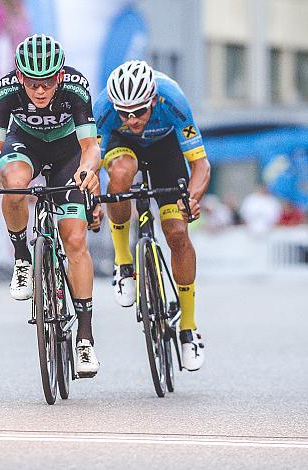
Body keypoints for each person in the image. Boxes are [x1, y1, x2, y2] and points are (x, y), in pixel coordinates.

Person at [0, 34, 102, 376]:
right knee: (13, 186)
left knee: (74, 239)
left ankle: (85, 339)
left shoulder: (75, 88)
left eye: (46, 83)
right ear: (20, 77)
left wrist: (87, 170)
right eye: (31, 83)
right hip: (24, 144)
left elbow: (91, 147)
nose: (40, 91)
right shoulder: (5, 91)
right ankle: (23, 259)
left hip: (67, 152)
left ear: (59, 76)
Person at [93, 60, 210, 371]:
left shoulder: (172, 99)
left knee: (177, 233)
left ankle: (188, 327)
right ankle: (123, 261)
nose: (132, 119)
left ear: (154, 99)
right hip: (123, 150)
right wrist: (90, 199)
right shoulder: (103, 108)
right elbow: (91, 164)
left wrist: (191, 199)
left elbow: (201, 166)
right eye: (124, 113)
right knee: (119, 174)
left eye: (140, 112)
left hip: (165, 151)